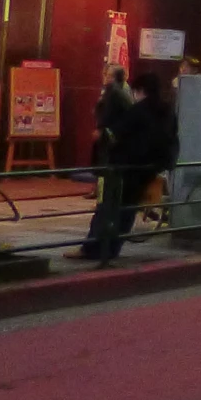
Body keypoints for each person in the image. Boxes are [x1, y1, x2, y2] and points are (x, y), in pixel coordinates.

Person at [77, 71, 177, 266]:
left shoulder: (138, 111)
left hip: (127, 167)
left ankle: (94, 249)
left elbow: (117, 135)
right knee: (128, 211)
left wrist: (104, 140)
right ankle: (113, 250)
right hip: (150, 167)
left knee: (109, 208)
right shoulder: (167, 110)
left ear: (140, 90)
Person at [90, 66, 131, 166]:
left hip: (112, 135)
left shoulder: (113, 91)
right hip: (119, 135)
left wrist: (99, 129)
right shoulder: (121, 90)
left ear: (114, 78)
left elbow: (108, 112)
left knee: (106, 165)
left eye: (109, 75)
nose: (106, 78)